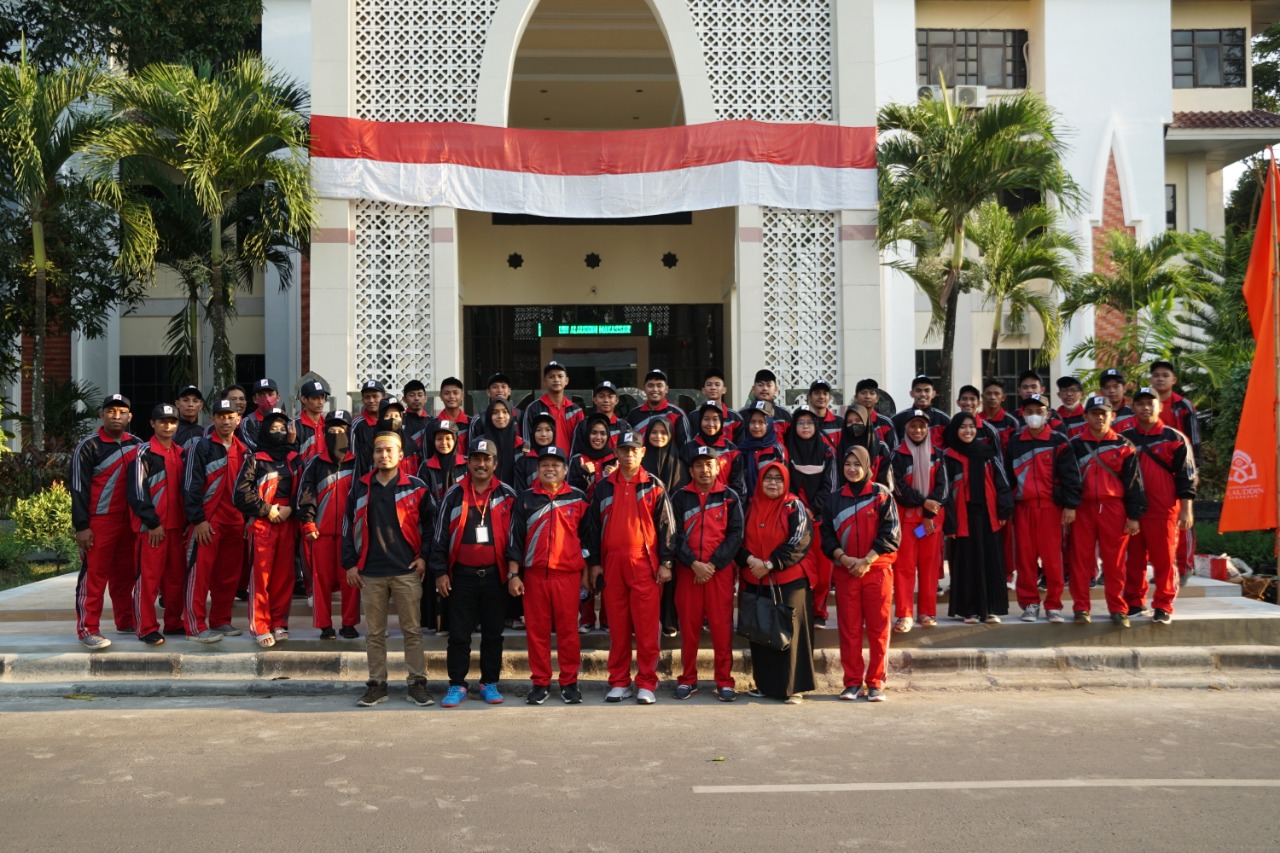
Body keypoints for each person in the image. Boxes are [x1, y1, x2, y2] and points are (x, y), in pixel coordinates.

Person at [342, 431, 435, 707]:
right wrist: (349, 563)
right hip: (370, 571)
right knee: (374, 633)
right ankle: (376, 685)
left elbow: (431, 526)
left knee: (412, 631)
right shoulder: (360, 487)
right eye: (379, 450)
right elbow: (347, 527)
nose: (384, 455)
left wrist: (424, 558)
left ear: (401, 456)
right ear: (372, 455)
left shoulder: (416, 487)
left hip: (406, 570)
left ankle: (417, 683)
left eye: (390, 450)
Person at [586, 431, 675, 705]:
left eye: (634, 450)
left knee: (647, 628)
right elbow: (592, 527)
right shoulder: (603, 486)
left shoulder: (653, 485)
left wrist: (667, 562)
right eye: (624, 450)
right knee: (618, 627)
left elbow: (667, 527)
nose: (628, 454)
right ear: (616, 451)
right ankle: (619, 682)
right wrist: (594, 564)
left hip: (644, 562)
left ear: (643, 452)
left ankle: (647, 682)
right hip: (612, 563)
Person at [430, 439, 519, 707]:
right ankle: (457, 684)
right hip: (461, 576)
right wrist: (440, 572)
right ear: (468, 462)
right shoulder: (454, 493)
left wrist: (513, 573)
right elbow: (439, 536)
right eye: (476, 459)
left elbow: (515, 539)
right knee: (459, 635)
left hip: (495, 576)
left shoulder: (507, 494)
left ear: (495, 463)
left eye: (487, 459)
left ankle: (489, 683)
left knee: (493, 634)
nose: (481, 464)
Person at [506, 445, 592, 705]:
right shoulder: (525, 499)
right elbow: (514, 540)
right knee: (537, 632)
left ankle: (569, 682)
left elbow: (587, 540)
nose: (550, 469)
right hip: (533, 576)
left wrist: (586, 576)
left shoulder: (578, 498)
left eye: (556, 465)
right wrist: (514, 575)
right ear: (537, 469)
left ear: (566, 469)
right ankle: (540, 682)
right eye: (545, 465)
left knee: (568, 631)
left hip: (567, 576)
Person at [822, 445, 900, 702]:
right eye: (847, 464)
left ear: (867, 466)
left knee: (878, 630)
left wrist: (867, 560)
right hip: (846, 572)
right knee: (849, 630)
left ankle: (876, 682)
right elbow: (826, 537)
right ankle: (852, 682)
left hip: (876, 571)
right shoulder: (834, 499)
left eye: (857, 464)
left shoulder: (881, 494)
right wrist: (844, 558)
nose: (852, 469)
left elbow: (891, 535)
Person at [670, 446, 744, 701]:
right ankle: (687, 679)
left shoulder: (729, 496)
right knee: (688, 629)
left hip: (719, 573)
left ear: (718, 467)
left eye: (709, 464)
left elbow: (736, 535)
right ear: (690, 470)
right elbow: (673, 535)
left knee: (722, 630)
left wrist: (713, 564)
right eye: (699, 465)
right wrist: (693, 563)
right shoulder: (680, 497)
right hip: (688, 572)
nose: (704, 470)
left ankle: (724, 680)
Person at [70, 394, 142, 650]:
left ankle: (125, 621)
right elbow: (78, 488)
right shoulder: (88, 446)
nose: (116, 416)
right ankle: (88, 628)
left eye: (122, 412)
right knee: (95, 576)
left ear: (130, 417)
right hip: (100, 522)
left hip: (130, 522)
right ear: (101, 415)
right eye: (111, 411)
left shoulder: (137, 445)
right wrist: (82, 526)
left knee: (126, 576)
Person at [1067, 396, 1146, 627]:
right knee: (1080, 561)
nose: (1099, 417)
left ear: (1112, 416)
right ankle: (1081, 607)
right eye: (1094, 413)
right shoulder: (1074, 445)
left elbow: (1134, 483)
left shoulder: (1124, 445)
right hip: (1083, 509)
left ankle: (1118, 608)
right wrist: (1069, 506)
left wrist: (1134, 516)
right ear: (1085, 416)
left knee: (1116, 563)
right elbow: (1068, 480)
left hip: (1114, 508)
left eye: (1104, 413)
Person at [737, 461, 813, 703]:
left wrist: (769, 564)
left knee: (790, 633)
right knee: (761, 631)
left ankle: (793, 687)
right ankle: (766, 685)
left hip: (788, 579)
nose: (772, 483)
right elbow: (735, 537)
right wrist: (750, 560)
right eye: (768, 478)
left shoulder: (794, 506)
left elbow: (800, 541)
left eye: (778, 479)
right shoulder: (748, 506)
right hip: (755, 577)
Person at [1122, 387, 1197, 624]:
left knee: (1164, 561)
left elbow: (1187, 476)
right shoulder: (1124, 438)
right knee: (1133, 559)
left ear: (1160, 406)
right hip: (1132, 511)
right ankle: (1134, 602)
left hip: (1163, 509)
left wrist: (1187, 509)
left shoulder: (1174, 437)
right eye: (1140, 403)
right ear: (1132, 408)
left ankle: (1163, 605)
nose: (1145, 407)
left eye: (1150, 403)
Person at [1004, 393, 1082, 623]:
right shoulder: (1015, 442)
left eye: (1039, 411)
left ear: (1048, 414)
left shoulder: (1059, 441)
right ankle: (1029, 604)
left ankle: (1054, 605)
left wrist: (1070, 505)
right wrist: (1007, 508)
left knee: (1052, 559)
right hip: (1023, 508)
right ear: (1022, 414)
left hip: (1051, 508)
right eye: (1029, 411)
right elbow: (1007, 478)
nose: (1034, 416)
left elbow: (1071, 476)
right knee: (1025, 559)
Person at [233, 408, 301, 648]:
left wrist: (291, 509)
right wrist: (267, 509)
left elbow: (304, 490)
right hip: (263, 522)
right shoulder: (254, 459)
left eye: (282, 428)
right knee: (261, 578)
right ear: (263, 431)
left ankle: (279, 621)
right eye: (273, 428)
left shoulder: (294, 459)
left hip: (288, 521)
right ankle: (260, 626)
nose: (278, 432)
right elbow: (240, 494)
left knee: (285, 576)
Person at [182, 398, 248, 643]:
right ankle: (195, 626)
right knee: (199, 575)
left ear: (238, 419)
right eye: (221, 416)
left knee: (228, 575)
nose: (226, 420)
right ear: (213, 420)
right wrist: (198, 520)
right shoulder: (201, 447)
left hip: (235, 523)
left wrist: (247, 519)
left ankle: (220, 620)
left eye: (230, 416)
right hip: (207, 523)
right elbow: (191, 486)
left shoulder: (244, 450)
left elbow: (249, 489)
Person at [296, 410, 361, 640]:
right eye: (332, 430)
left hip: (349, 533)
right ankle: (324, 625)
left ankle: (349, 624)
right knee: (321, 580)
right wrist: (308, 521)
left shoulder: (357, 462)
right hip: (320, 532)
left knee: (350, 580)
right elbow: (306, 494)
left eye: (341, 430)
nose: (337, 434)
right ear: (325, 433)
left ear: (349, 432)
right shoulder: (315, 463)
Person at [942, 412, 1012, 624]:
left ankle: (991, 609)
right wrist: (950, 523)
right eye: (963, 427)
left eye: (971, 426)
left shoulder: (987, 453)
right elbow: (944, 493)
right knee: (966, 563)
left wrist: (1004, 510)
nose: (968, 431)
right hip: (962, 518)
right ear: (955, 430)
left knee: (991, 561)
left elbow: (1002, 482)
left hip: (988, 516)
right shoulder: (948, 456)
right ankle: (968, 610)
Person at [127, 404, 188, 645]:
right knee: (148, 581)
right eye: (162, 421)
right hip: (151, 530)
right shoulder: (143, 452)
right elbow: (136, 492)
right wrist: (151, 523)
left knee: (176, 580)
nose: (167, 425)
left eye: (172, 421)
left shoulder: (181, 452)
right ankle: (146, 628)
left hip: (177, 528)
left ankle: (174, 623)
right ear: (152, 424)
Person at [889, 410, 949, 632]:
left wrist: (929, 515)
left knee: (929, 568)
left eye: (922, 426)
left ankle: (927, 611)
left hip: (929, 523)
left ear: (928, 429)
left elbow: (943, 489)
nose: (917, 430)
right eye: (913, 426)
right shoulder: (897, 455)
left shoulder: (937, 454)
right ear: (906, 428)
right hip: (906, 520)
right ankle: (904, 614)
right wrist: (923, 502)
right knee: (904, 568)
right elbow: (898, 489)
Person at [786, 407, 837, 628]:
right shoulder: (786, 451)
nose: (805, 427)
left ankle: (819, 612)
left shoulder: (827, 452)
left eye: (809, 422)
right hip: (792, 520)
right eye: (800, 422)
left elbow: (830, 486)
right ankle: (799, 610)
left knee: (824, 572)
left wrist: (812, 510)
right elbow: (783, 482)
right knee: (797, 570)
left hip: (819, 520)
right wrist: (798, 510)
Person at [1149, 359, 1200, 581]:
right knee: (1155, 523)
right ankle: (1162, 566)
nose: (1160, 378)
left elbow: (1195, 439)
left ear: (1173, 380)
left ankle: (1185, 565)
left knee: (1184, 518)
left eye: (1165, 375)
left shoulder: (1183, 406)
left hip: (1180, 470)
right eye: (1156, 375)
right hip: (1154, 473)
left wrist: (1195, 470)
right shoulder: (1145, 404)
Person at [570, 412, 618, 633]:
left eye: (602, 433)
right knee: (586, 569)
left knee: (607, 571)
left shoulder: (616, 459)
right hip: (583, 522)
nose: (598, 437)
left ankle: (607, 619)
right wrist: (582, 477)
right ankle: (587, 618)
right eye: (594, 433)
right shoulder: (578, 460)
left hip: (609, 521)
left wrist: (614, 475)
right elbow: (569, 491)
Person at [641, 417, 688, 637]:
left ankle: (669, 620)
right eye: (654, 432)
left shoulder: (679, 464)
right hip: (644, 527)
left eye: (663, 432)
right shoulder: (640, 464)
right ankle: (645, 623)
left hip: (672, 527)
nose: (658, 436)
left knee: (670, 575)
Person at [682, 401, 745, 495]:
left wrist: (731, 506)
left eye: (715, 419)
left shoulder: (732, 450)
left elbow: (738, 486)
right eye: (706, 419)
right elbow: (683, 483)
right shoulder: (688, 448)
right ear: (700, 420)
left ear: (721, 421)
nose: (710, 424)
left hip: (724, 505)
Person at [521, 360, 583, 454]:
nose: (556, 380)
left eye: (560, 376)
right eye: (551, 376)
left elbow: (581, 442)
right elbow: (527, 443)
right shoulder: (533, 408)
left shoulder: (576, 410)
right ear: (544, 381)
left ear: (566, 380)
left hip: (569, 464)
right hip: (543, 464)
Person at [736, 403, 787, 498]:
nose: (756, 426)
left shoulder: (777, 450)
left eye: (761, 422)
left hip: (770, 504)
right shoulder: (742, 449)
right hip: (748, 505)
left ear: (769, 424)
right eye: (753, 422)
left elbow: (783, 482)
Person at [837, 404, 894, 488]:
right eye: (849, 422)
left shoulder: (880, 448)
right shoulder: (841, 448)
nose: (854, 424)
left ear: (866, 421)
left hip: (876, 497)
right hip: (845, 497)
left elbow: (886, 481)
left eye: (858, 420)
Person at [629, 368, 690, 445]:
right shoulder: (634, 413)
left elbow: (685, 447)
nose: (655, 389)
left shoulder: (677, 413)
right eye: (650, 385)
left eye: (659, 385)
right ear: (644, 389)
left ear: (666, 389)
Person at [469, 396, 522, 485]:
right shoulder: (479, 443)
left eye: (505, 412)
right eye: (495, 412)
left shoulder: (521, 444)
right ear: (489, 416)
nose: (500, 416)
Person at [419, 418, 468, 503]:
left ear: (455, 440)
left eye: (448, 438)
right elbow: (423, 498)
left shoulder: (466, 463)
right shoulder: (426, 467)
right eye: (439, 439)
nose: (444, 443)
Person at [570, 380, 624, 454]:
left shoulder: (623, 426)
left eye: (610, 396)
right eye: (601, 396)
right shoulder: (583, 425)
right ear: (595, 400)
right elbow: (575, 454)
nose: (606, 400)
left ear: (616, 400)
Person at [890, 375, 949, 443]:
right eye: (918, 390)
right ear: (911, 393)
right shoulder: (898, 419)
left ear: (933, 394)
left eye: (927, 390)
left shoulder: (943, 420)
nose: (923, 394)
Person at [739, 369, 791, 439]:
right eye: (760, 385)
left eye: (769, 385)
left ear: (775, 389)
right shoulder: (742, 414)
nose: (765, 388)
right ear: (753, 389)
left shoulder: (784, 415)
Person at [695, 368, 743, 442]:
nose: (713, 388)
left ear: (724, 390)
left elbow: (740, 448)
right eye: (709, 384)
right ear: (703, 390)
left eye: (717, 384)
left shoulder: (735, 418)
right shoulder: (694, 415)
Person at [513, 412, 558, 490]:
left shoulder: (561, 459)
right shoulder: (523, 462)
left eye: (548, 430)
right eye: (539, 430)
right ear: (533, 433)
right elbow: (520, 493)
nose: (543, 434)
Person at [349, 379, 386, 472]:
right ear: (362, 400)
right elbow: (353, 455)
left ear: (384, 397)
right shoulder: (356, 424)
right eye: (367, 397)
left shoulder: (390, 421)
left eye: (375, 396)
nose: (371, 400)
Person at [238, 378, 281, 450]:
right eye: (261, 395)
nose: (266, 398)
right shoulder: (248, 422)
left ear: (278, 397)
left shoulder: (285, 420)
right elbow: (254, 447)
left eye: (270, 394)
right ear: (254, 399)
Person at [293, 379, 330, 464]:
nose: (320, 402)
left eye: (322, 397)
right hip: (303, 474)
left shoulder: (328, 424)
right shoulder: (295, 426)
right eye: (315, 398)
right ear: (304, 399)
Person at [853, 378, 897, 448]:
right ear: (855, 398)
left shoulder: (885, 423)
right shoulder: (850, 422)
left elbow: (894, 451)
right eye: (863, 393)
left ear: (877, 399)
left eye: (872, 393)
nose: (867, 396)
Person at [805, 379, 841, 448]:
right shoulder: (802, 422)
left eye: (825, 393)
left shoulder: (839, 422)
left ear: (829, 398)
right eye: (817, 393)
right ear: (809, 397)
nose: (821, 397)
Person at [436, 376, 471, 451]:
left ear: (462, 396)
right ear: (441, 396)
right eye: (447, 393)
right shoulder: (433, 424)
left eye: (455, 393)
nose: (451, 396)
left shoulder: (471, 423)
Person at [1099, 368, 1136, 433]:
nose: (1111, 391)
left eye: (1116, 387)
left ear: (1124, 388)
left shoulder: (1134, 414)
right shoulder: (1095, 416)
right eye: (1107, 387)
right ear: (1101, 391)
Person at [402, 379, 432, 453]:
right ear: (404, 399)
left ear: (425, 398)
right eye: (412, 395)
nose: (416, 398)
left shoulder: (432, 422)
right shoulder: (400, 421)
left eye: (420, 395)